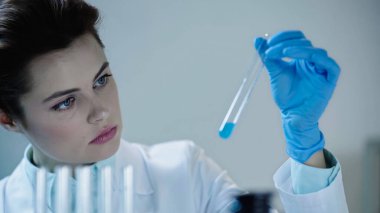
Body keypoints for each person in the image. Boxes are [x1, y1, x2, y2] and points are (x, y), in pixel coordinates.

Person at [0, 0, 348, 212]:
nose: (101, 112)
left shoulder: (185, 173)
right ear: (9, 118)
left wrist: (305, 143)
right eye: (65, 103)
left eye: (101, 80)